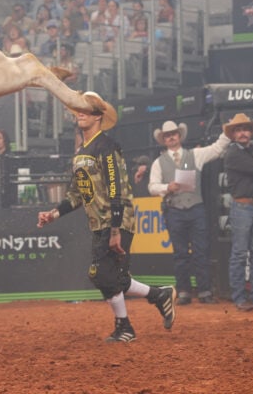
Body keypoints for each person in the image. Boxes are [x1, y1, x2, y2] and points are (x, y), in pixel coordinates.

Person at [38, 92, 176, 342]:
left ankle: (125, 327)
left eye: (86, 109)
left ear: (98, 116)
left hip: (117, 221)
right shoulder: (81, 153)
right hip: (101, 224)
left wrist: (115, 230)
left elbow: (117, 189)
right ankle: (159, 296)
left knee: (99, 274)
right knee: (117, 279)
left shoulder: (107, 145)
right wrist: (54, 213)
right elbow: (77, 193)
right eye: (78, 108)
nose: (80, 112)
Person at [148, 120, 230, 305]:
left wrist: (226, 131)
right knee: (180, 253)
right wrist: (167, 187)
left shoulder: (196, 155)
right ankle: (184, 291)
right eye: (167, 135)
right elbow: (152, 187)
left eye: (173, 134)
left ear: (179, 136)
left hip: (195, 208)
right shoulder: (158, 163)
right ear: (164, 139)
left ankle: (205, 291)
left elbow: (217, 149)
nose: (171, 137)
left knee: (201, 250)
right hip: (174, 210)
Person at [222, 114, 253, 311]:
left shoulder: (249, 151)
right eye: (238, 130)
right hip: (243, 207)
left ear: (250, 132)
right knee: (239, 253)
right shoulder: (234, 153)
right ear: (234, 134)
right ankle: (239, 298)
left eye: (245, 129)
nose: (242, 133)